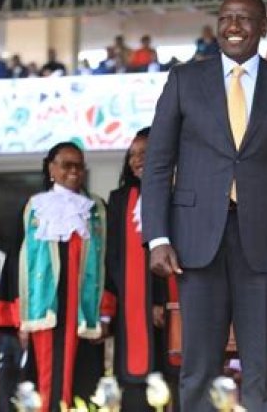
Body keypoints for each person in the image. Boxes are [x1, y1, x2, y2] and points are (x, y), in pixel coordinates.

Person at [142, 0, 267, 411]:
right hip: (195, 241)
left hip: (266, 243)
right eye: (225, 18)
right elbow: (159, 164)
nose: (233, 27)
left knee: (262, 364)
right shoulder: (184, 80)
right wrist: (158, 237)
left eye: (244, 18)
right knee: (199, 365)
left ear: (263, 27)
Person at [0, 142, 110, 412]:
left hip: (83, 311)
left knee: (84, 383)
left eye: (79, 166)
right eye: (67, 165)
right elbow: (15, 263)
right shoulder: (32, 208)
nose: (74, 171)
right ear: (51, 169)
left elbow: (108, 262)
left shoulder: (97, 210)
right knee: (40, 384)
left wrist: (105, 314)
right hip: (43, 312)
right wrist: (20, 317)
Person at [105, 127, 175, 411]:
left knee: (177, 376)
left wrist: (160, 300)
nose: (136, 160)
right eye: (132, 155)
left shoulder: (181, 193)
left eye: (144, 153)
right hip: (133, 308)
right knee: (136, 386)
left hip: (177, 303)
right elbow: (113, 258)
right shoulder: (120, 200)